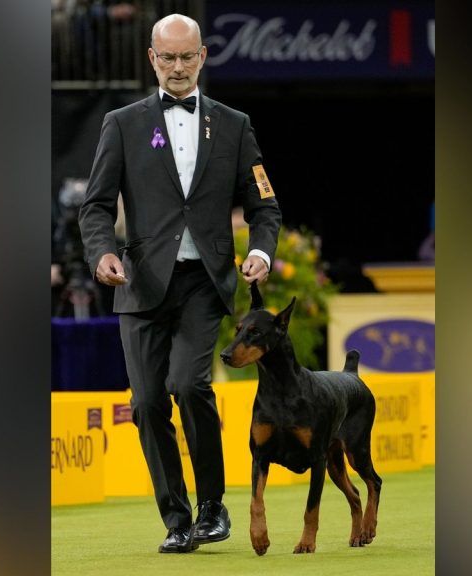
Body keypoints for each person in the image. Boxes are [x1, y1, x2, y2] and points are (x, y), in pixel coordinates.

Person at [78, 13, 282, 554]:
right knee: (147, 403)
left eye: (186, 56)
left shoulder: (234, 125)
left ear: (203, 56)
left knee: (189, 384)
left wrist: (260, 251)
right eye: (167, 57)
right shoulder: (121, 124)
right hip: (140, 282)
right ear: (151, 59)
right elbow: (95, 206)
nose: (177, 67)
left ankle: (213, 506)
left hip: (203, 282)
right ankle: (177, 519)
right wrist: (101, 253)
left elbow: (265, 205)